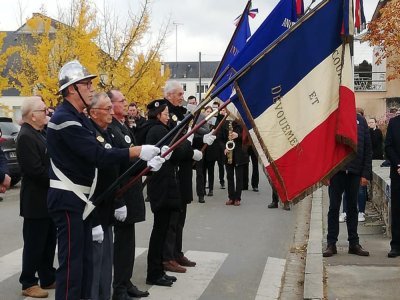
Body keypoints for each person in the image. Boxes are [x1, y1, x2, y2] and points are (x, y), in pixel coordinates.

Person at [46, 60, 160, 300]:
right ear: (71, 89)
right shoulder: (65, 119)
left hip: (83, 202)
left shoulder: (79, 118)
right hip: (69, 200)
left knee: (86, 267)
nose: (90, 88)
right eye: (85, 84)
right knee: (72, 269)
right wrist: (137, 151)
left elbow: (107, 149)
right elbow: (97, 155)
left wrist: (145, 162)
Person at [137, 99, 187, 286]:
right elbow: (175, 152)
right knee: (160, 230)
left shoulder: (159, 129)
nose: (168, 116)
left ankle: (157, 270)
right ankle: (154, 272)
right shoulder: (157, 130)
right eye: (165, 114)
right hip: (162, 185)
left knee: (162, 229)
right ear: (158, 115)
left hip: (163, 183)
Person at [107, 89, 150, 300]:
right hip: (122, 190)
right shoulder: (110, 130)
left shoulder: (123, 126)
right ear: (111, 104)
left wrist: (149, 163)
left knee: (129, 242)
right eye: (121, 100)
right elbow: (117, 165)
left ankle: (126, 281)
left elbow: (133, 155)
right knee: (122, 243)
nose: (125, 103)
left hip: (132, 189)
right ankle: (119, 288)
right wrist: (118, 199)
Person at [17, 97, 56, 298]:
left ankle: (47, 277)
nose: (47, 113)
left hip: (47, 199)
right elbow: (35, 170)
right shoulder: (26, 136)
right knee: (34, 243)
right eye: (43, 110)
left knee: (49, 241)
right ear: (33, 115)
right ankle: (28, 282)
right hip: (35, 201)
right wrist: (57, 177)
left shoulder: (41, 133)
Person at [163, 81, 202, 273]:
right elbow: (174, 143)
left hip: (184, 170)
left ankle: (177, 252)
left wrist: (204, 138)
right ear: (169, 95)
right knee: (172, 218)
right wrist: (190, 150)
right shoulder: (166, 112)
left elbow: (189, 136)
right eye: (179, 94)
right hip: (173, 170)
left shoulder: (181, 113)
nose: (182, 97)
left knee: (181, 216)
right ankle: (168, 256)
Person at [323, 112, 372, 257]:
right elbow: (326, 147)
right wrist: (325, 173)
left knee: (352, 208)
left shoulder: (361, 121)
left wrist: (365, 174)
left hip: (355, 171)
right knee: (333, 208)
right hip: (337, 171)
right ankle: (331, 244)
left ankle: (354, 243)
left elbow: (367, 149)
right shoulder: (333, 118)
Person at [87, 93, 118, 300]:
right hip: (93, 210)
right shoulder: (89, 135)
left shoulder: (108, 133)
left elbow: (115, 170)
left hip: (107, 208)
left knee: (107, 264)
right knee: (94, 268)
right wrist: (94, 220)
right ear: (93, 112)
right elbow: (90, 180)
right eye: (107, 109)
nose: (112, 112)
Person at [221, 119, 249, 206]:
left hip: (239, 155)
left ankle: (237, 198)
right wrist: (224, 148)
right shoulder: (225, 124)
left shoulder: (242, 123)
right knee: (229, 177)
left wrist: (238, 135)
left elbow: (247, 137)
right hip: (228, 154)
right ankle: (231, 197)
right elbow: (220, 139)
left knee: (239, 177)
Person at [384, 114, 400, 257]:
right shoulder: (394, 123)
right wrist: (398, 165)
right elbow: (388, 146)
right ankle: (396, 245)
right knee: (397, 210)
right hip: (398, 173)